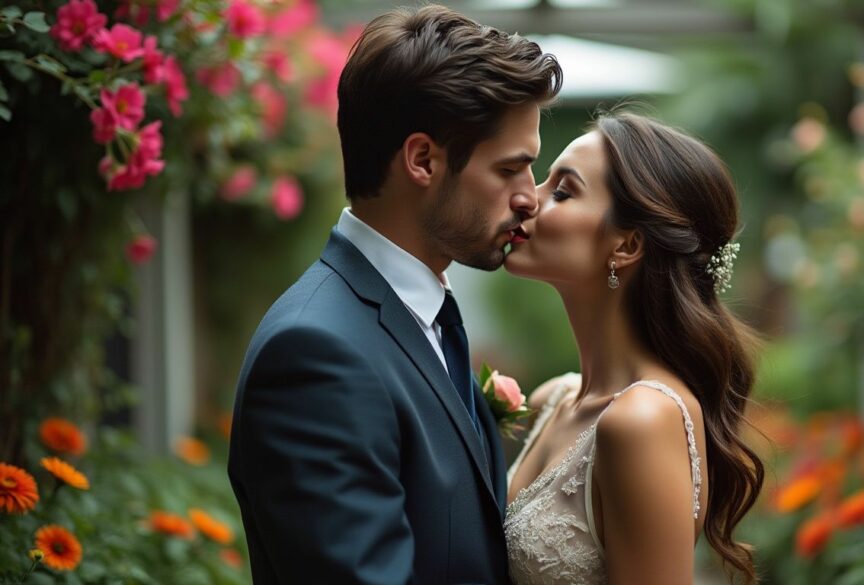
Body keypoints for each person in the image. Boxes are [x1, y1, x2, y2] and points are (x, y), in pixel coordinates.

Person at [227, 5, 562, 583]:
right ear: (422, 160)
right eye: (512, 168)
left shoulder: (422, 318)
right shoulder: (316, 354)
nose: (530, 197)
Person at [503, 111, 764, 584]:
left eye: (562, 191)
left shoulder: (640, 422)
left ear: (626, 245)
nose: (525, 198)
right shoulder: (553, 400)